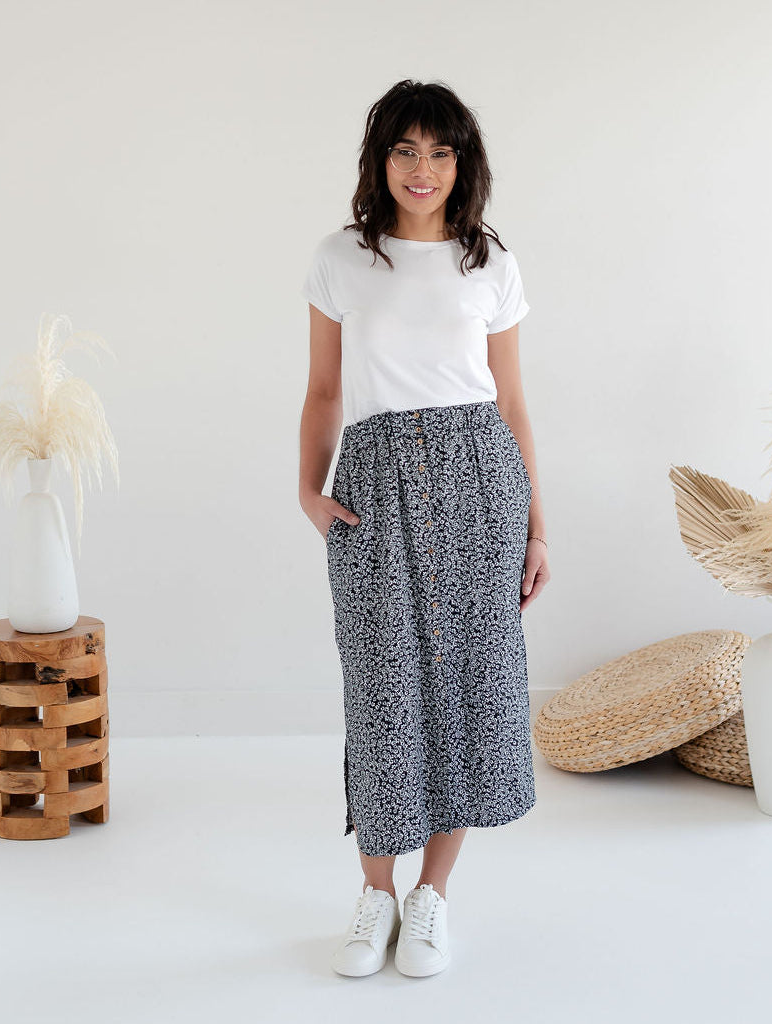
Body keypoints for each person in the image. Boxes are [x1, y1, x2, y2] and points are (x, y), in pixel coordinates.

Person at [298, 79, 550, 978]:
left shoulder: (491, 263)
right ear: (381, 160)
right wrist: (307, 489)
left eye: (441, 152)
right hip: (372, 486)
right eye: (406, 150)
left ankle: (431, 897)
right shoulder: (340, 259)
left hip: (480, 483)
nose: (423, 169)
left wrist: (536, 528)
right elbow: (326, 388)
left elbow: (512, 401)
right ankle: (375, 894)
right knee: (383, 690)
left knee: (465, 688)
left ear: (463, 164)